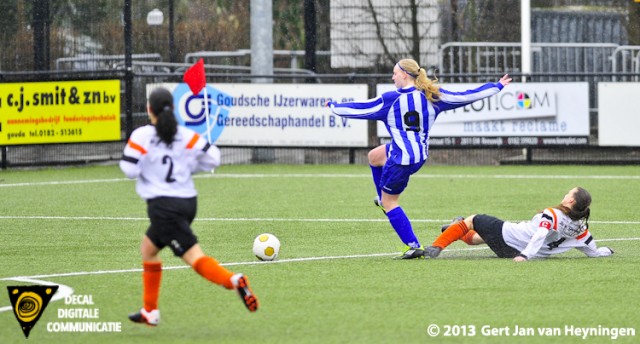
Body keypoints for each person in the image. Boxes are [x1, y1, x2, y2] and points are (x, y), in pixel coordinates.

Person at [327, 58, 512, 259]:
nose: (392, 77)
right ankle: (381, 196)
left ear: (404, 75)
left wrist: (335, 107)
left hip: (401, 160)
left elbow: (361, 108)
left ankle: (412, 245)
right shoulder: (432, 95)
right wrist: (496, 87)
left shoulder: (391, 99)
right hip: (418, 156)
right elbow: (465, 97)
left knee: (390, 203)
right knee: (374, 156)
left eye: (395, 73)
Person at [119, 87, 258, 326]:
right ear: (172, 108)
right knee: (148, 249)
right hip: (187, 203)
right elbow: (213, 158)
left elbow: (129, 169)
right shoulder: (183, 134)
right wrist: (189, 167)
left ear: (148, 110)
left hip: (164, 207)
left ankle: (233, 280)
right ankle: (150, 311)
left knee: (194, 257)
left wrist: (150, 171)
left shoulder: (141, 135)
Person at [423, 187, 615, 261]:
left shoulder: (553, 215)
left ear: (571, 201)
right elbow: (592, 252)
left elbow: (539, 235)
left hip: (509, 237)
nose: (565, 194)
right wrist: (606, 251)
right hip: (508, 252)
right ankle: (456, 226)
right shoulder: (580, 228)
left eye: (569, 193)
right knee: (476, 239)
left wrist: (525, 255)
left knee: (473, 220)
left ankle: (437, 245)